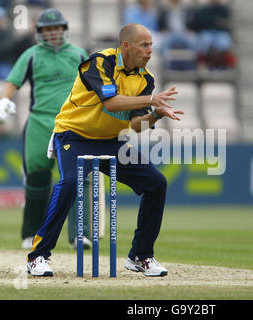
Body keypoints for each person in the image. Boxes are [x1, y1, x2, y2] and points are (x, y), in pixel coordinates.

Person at [25, 23, 184, 277]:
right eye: (144, 45)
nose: (150, 50)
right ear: (126, 46)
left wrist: (155, 115)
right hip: (74, 136)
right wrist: (151, 100)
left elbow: (136, 125)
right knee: (70, 184)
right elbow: (111, 103)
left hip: (112, 141)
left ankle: (141, 256)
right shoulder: (100, 62)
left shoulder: (145, 78)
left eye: (151, 45)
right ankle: (38, 256)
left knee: (156, 184)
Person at [0, 8, 91, 250]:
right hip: (39, 122)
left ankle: (80, 234)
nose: (53, 33)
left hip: (72, 122)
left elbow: (93, 85)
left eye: (57, 28)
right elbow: (13, 82)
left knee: (76, 177)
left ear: (64, 30)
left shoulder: (78, 54)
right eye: (48, 29)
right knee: (37, 178)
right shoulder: (32, 55)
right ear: (40, 33)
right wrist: (4, 101)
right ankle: (31, 234)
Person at [157, 0, 197, 70]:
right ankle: (166, 65)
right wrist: (163, 29)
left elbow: (193, 23)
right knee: (163, 43)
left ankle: (192, 66)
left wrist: (190, 29)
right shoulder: (164, 10)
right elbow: (161, 24)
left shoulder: (186, 10)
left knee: (193, 41)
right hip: (170, 34)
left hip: (184, 33)